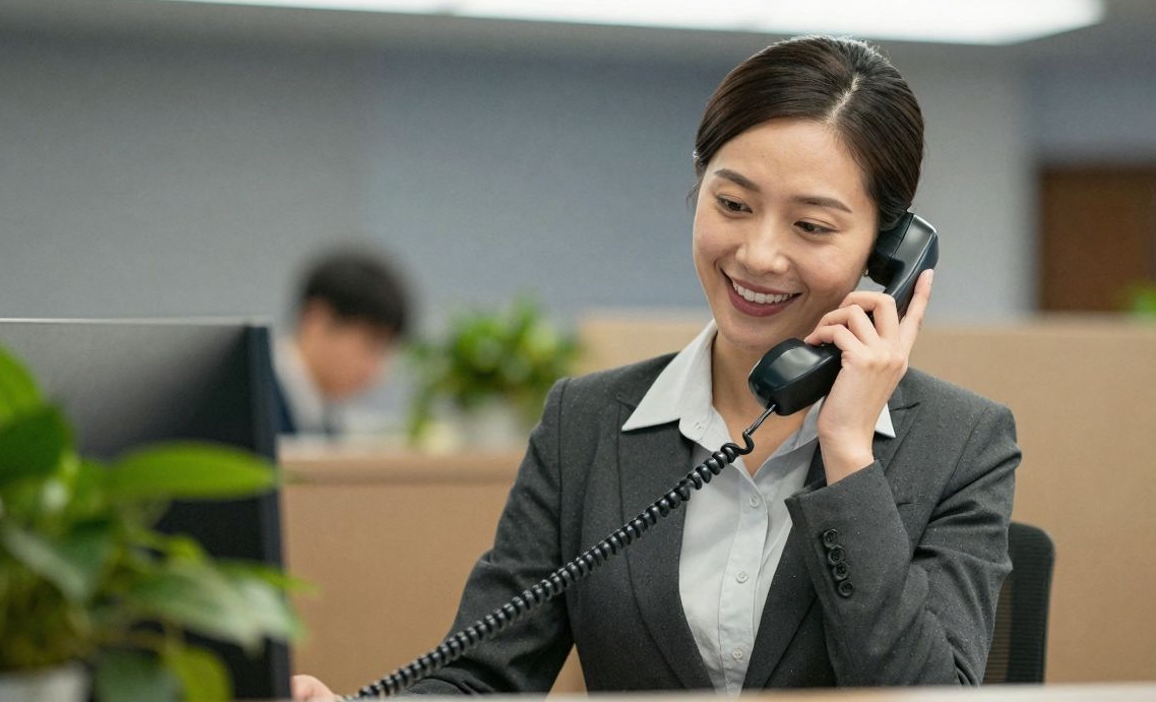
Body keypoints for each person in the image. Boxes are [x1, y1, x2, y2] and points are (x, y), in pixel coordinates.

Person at [293, 35, 1018, 697]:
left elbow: (928, 693)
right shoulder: (586, 423)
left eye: (811, 226)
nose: (759, 254)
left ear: (886, 254)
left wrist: (851, 456)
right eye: (732, 203)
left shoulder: (961, 444)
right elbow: (482, 675)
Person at [272, 247, 412, 436]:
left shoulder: (323, 415)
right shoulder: (254, 398)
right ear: (318, 321)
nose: (377, 371)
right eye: (371, 346)